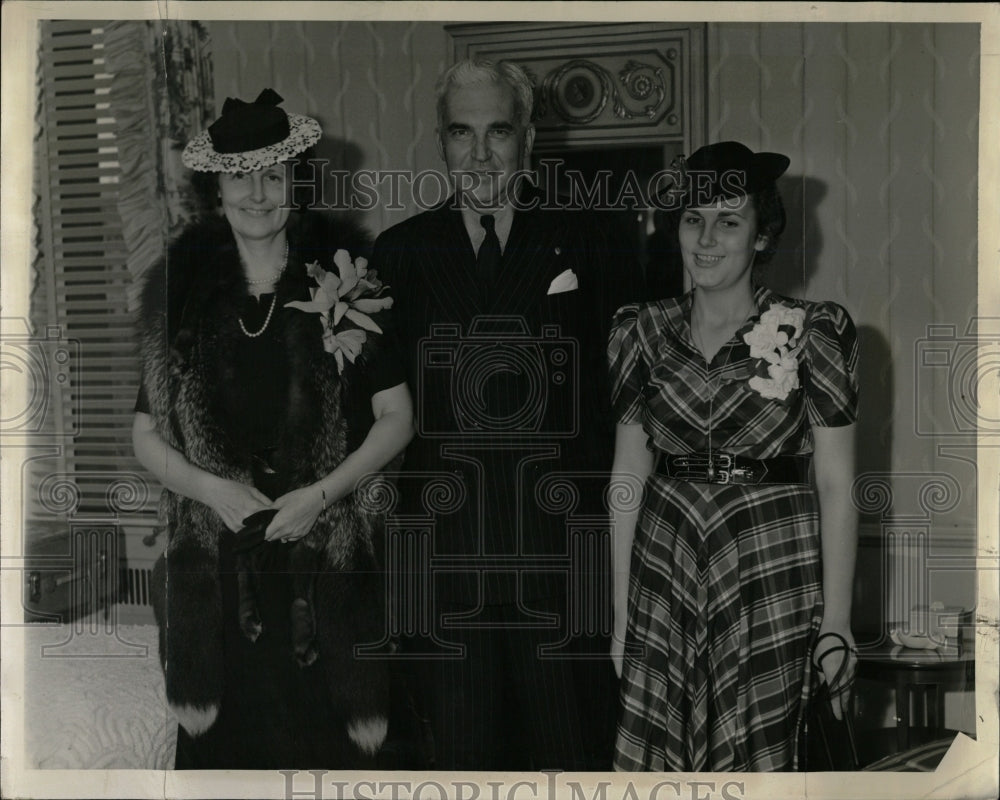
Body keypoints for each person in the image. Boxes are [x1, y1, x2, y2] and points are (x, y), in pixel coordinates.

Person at [371, 58, 642, 770]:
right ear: (440, 142)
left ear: (528, 139)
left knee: (571, 762)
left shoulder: (596, 240)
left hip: (562, 566)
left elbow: (631, 409)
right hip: (447, 568)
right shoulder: (398, 255)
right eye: (462, 133)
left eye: (499, 131)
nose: (481, 153)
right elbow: (376, 421)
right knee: (458, 767)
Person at [132, 89, 414, 769]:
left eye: (273, 175)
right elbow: (145, 433)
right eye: (239, 177)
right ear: (216, 189)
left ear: (296, 181)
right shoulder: (184, 293)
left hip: (326, 563)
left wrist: (319, 495)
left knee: (331, 762)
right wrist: (213, 491)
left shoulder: (348, 283)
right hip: (222, 574)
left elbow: (396, 418)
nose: (257, 194)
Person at [608, 141, 859, 771]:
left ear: (763, 236)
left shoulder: (815, 331)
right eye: (693, 219)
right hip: (664, 571)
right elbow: (627, 476)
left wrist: (837, 622)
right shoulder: (639, 329)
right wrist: (619, 616)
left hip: (770, 567)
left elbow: (835, 484)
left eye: (729, 219)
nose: (707, 238)